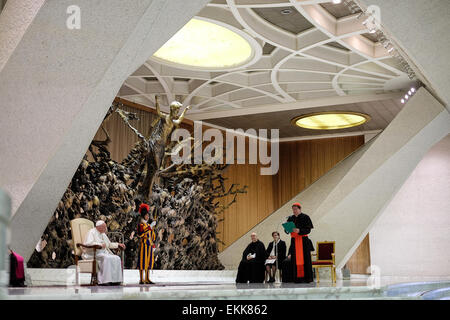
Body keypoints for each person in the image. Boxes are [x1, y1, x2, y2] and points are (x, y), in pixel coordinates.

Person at [82, 220, 126, 285]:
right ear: (99, 227)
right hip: (92, 254)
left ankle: (116, 280)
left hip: (102, 253)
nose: (105, 229)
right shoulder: (92, 232)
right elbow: (88, 243)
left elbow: (109, 244)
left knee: (117, 258)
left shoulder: (103, 234)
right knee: (106, 258)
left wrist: (118, 244)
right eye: (104, 227)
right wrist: (99, 244)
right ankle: (104, 281)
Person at [281, 202, 314, 283]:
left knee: (305, 258)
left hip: (303, 241)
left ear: (300, 209)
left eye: (295, 209)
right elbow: (286, 231)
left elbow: (308, 230)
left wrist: (300, 230)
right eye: (293, 209)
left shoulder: (306, 217)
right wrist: (287, 229)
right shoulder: (290, 218)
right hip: (294, 241)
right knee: (295, 259)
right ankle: (297, 278)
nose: (294, 211)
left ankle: (307, 278)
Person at [137, 203, 156, 284]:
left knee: (149, 262)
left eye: (148, 215)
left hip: (149, 246)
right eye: (146, 215)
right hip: (144, 245)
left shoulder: (148, 225)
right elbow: (140, 234)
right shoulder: (141, 224)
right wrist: (149, 228)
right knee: (142, 261)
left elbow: (152, 236)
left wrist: (153, 243)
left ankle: (147, 278)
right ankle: (141, 279)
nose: (148, 217)